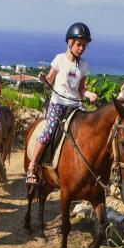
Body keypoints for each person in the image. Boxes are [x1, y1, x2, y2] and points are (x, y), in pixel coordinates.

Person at [26, 22, 98, 185]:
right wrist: (44, 79)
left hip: (76, 104)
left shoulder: (84, 65)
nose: (81, 48)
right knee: (49, 131)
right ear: (69, 43)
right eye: (79, 44)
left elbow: (81, 89)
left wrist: (89, 94)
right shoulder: (59, 59)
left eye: (84, 46)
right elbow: (49, 80)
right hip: (58, 103)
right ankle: (33, 165)